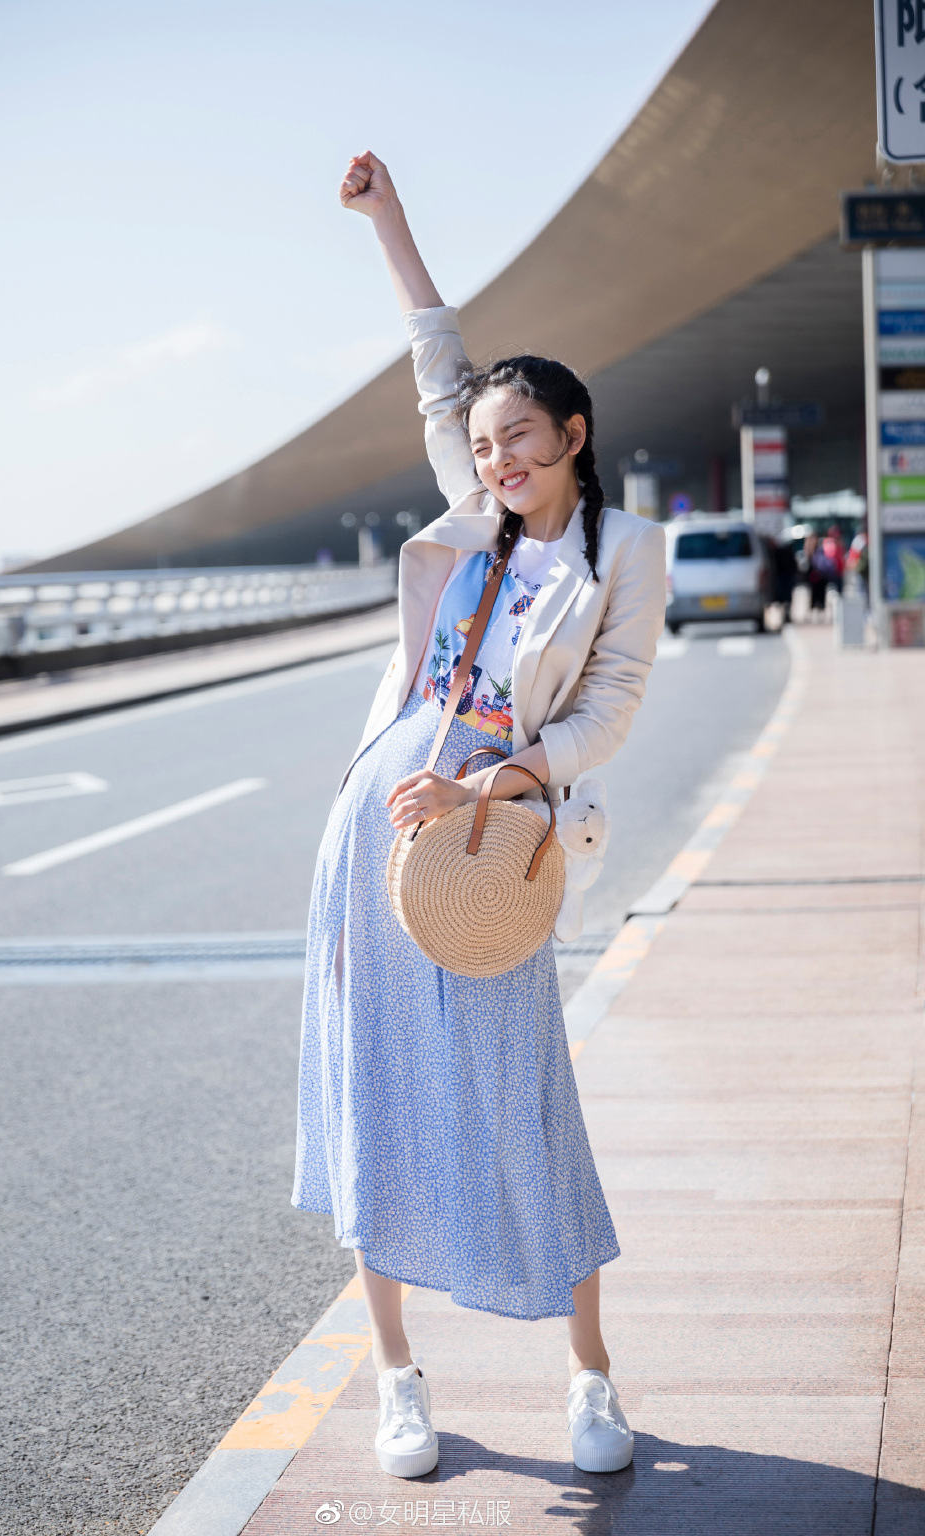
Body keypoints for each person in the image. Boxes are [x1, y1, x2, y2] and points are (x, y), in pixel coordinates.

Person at [290, 151, 666, 1481]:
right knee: (376, 1088)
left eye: (523, 437)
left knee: (525, 1096)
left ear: (574, 439)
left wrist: (496, 784)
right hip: (387, 812)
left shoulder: (619, 554)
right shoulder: (473, 520)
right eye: (484, 438)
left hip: (496, 836)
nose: (498, 454)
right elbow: (437, 363)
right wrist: (388, 223)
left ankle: (591, 1377)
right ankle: (398, 1380)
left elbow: (606, 710)